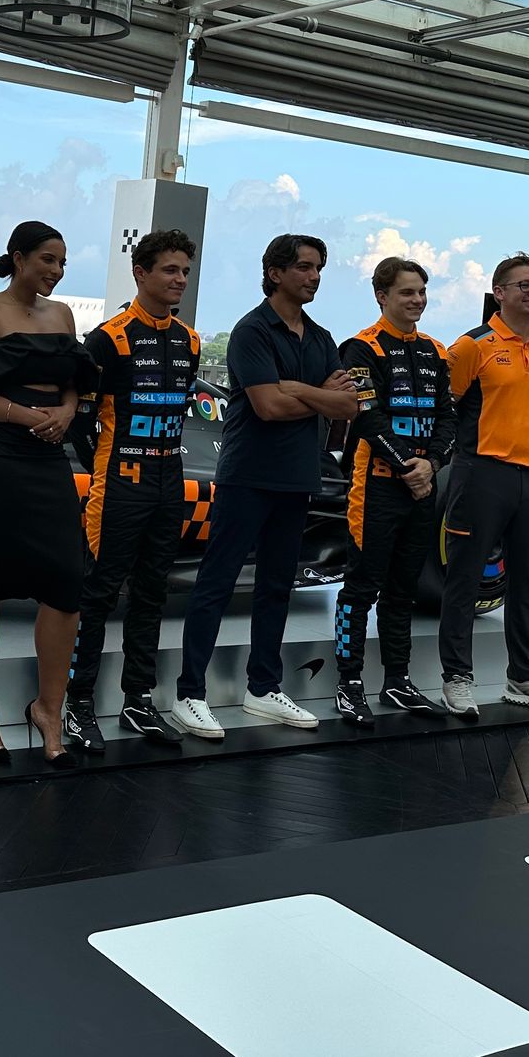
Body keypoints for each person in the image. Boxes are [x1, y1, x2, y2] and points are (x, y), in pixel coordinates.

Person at [169, 234, 361, 739]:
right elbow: (268, 407)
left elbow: (349, 406)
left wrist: (297, 388)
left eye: (318, 268)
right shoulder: (251, 330)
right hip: (247, 476)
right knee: (216, 584)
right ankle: (189, 694)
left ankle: (263, 688)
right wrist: (315, 394)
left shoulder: (320, 338)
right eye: (304, 267)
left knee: (277, 587)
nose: (314, 276)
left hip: (296, 479)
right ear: (275, 273)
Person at [0, 221, 98, 765]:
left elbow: (73, 383)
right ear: (19, 258)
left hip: (46, 457)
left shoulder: (63, 316)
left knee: (67, 579)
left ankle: (48, 708)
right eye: (48, 259)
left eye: (63, 262)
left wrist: (67, 411)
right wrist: (26, 416)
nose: (56, 270)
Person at [62, 229, 202, 754]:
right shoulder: (108, 339)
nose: (179, 280)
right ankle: (77, 704)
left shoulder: (189, 341)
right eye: (169, 270)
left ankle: (137, 701)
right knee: (98, 594)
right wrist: (106, 461)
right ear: (140, 273)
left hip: (170, 482)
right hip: (120, 483)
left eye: (184, 271)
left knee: (152, 593)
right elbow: (79, 418)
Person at [437, 253, 529, 720]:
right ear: (499, 293)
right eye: (523, 285)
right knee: (464, 579)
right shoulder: (471, 346)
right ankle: (457, 677)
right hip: (482, 474)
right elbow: (446, 408)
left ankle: (524, 675)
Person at [332, 256, 457, 728]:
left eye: (422, 291)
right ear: (382, 296)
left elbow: (448, 417)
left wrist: (432, 464)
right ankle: (348, 683)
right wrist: (409, 466)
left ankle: (397, 681)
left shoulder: (436, 351)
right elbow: (367, 417)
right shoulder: (361, 348)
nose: (417, 300)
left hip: (422, 487)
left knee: (403, 590)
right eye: (407, 292)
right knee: (361, 587)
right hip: (376, 487)